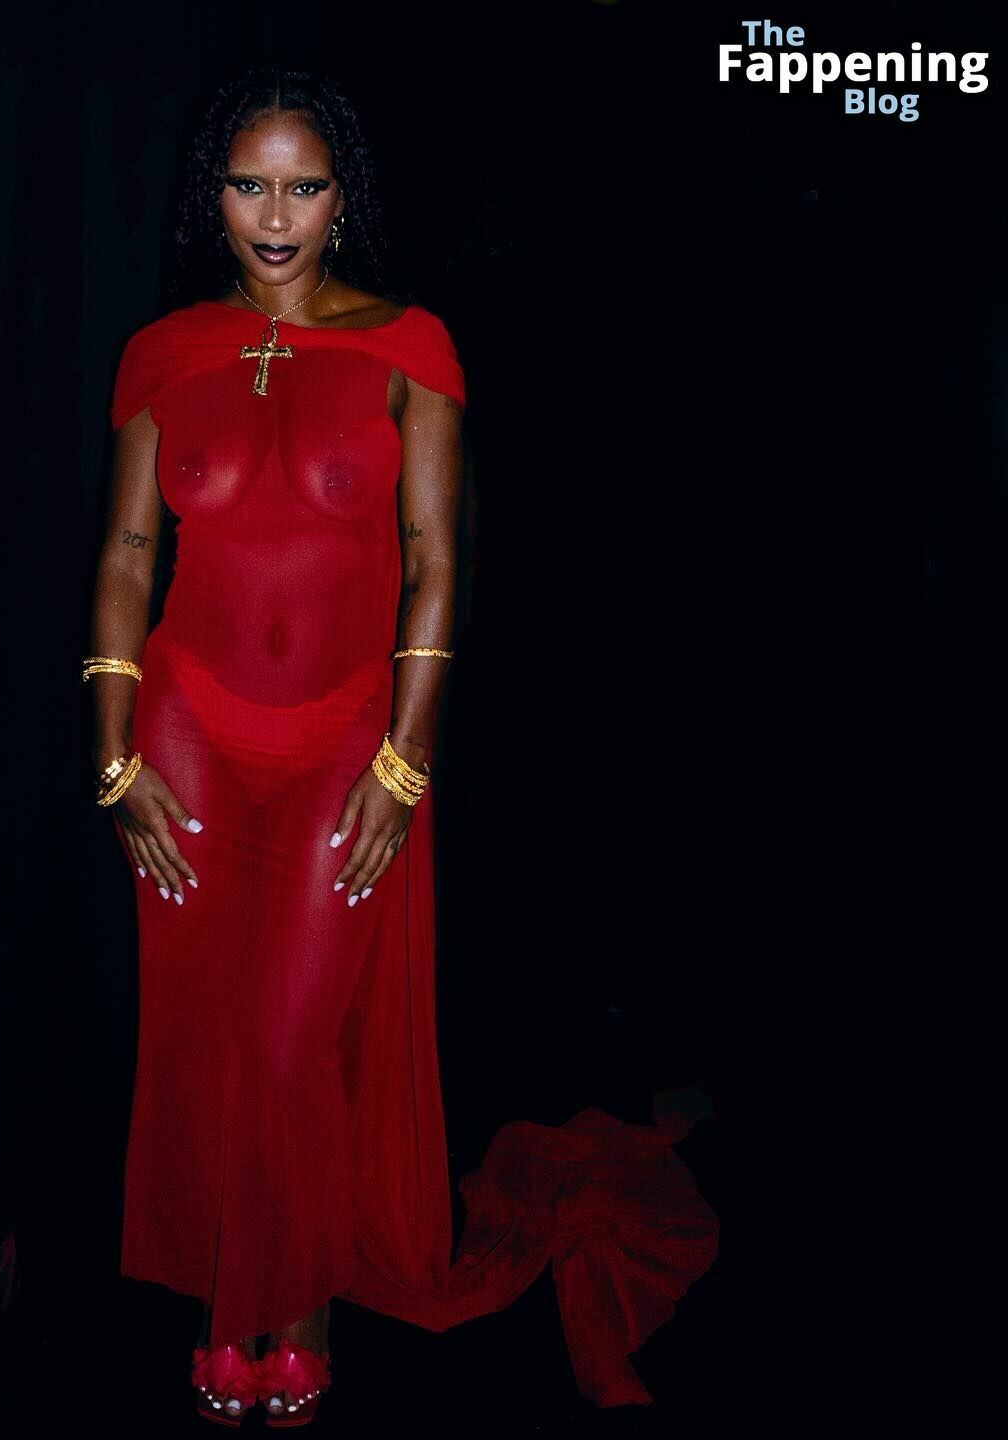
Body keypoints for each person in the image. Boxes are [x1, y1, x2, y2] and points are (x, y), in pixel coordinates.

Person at [86, 65, 719, 1427]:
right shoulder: (161, 352)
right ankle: (232, 1307)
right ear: (212, 194)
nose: (275, 216)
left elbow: (435, 564)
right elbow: (130, 556)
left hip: (340, 743)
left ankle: (300, 1303)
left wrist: (405, 760)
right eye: (249, 184)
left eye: (303, 187)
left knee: (292, 1046)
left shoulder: (409, 346)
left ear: (341, 197)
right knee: (211, 1043)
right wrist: (115, 755)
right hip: (188, 733)